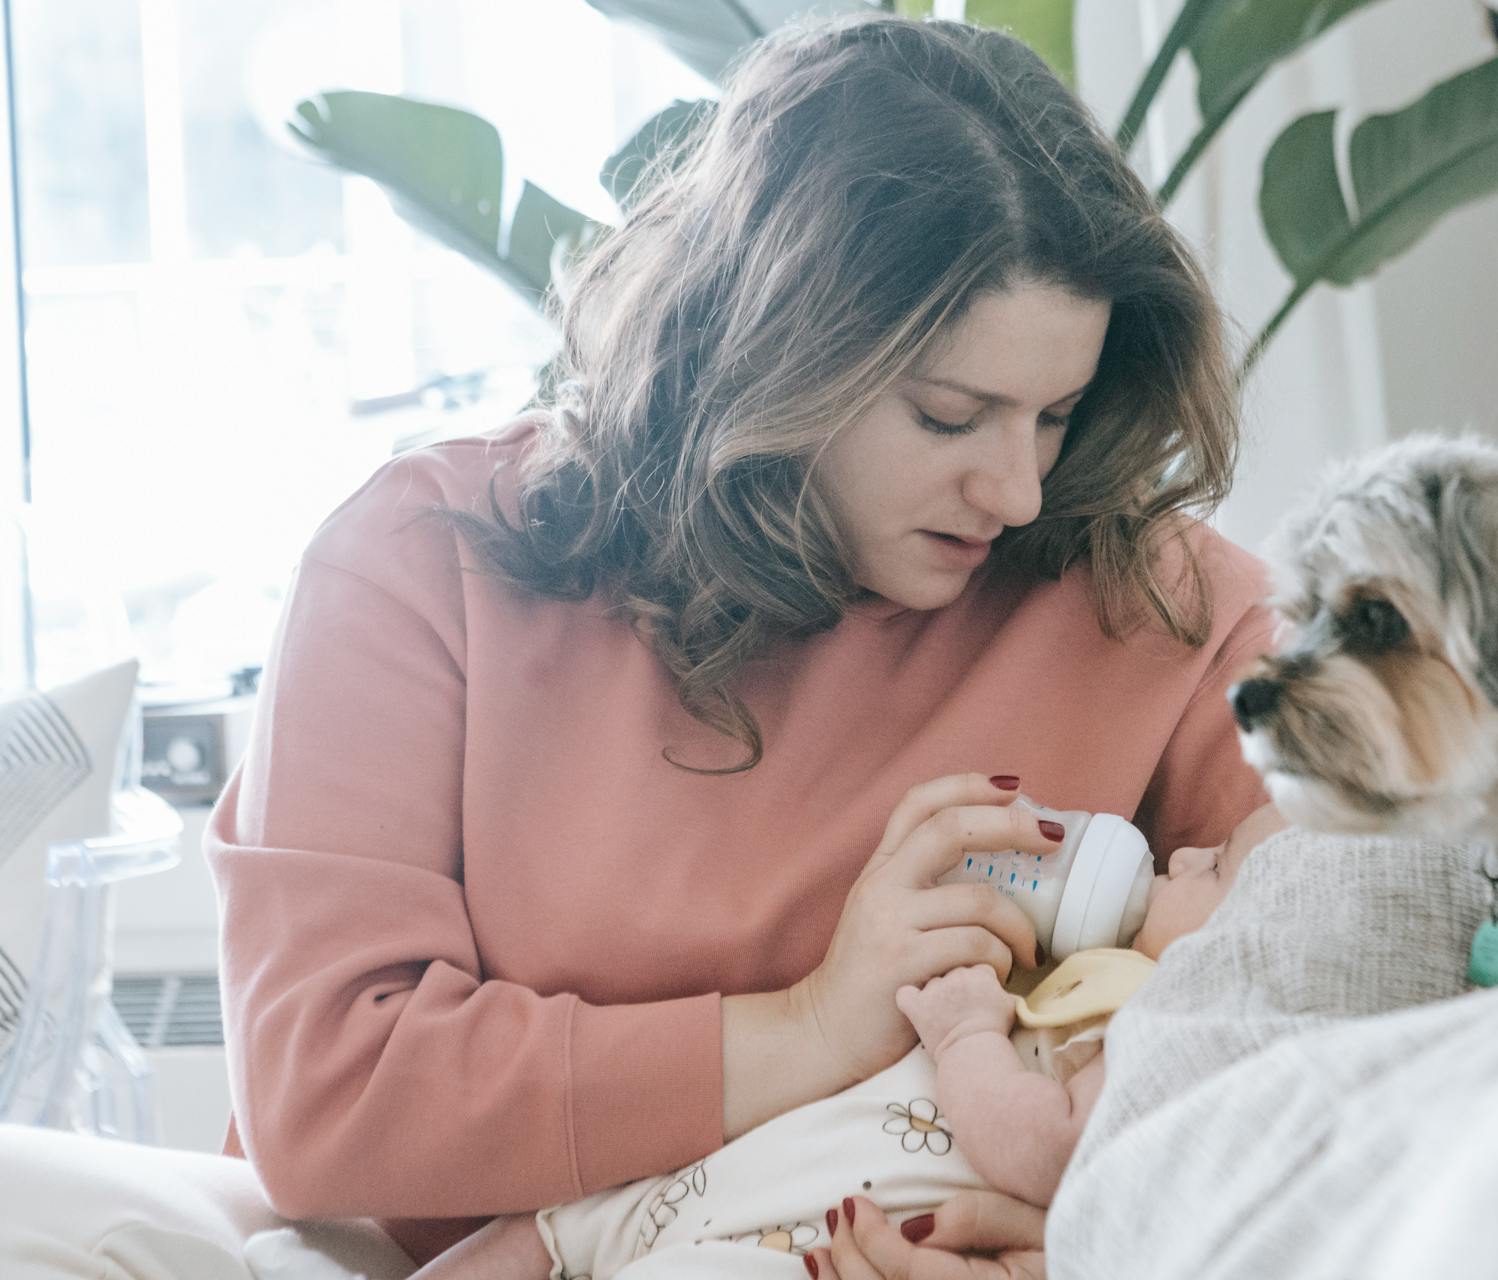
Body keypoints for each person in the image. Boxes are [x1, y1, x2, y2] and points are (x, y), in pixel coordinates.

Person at [0, 13, 1272, 1279]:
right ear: (775, 351)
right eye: (951, 414)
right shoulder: (423, 564)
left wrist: (1105, 1234)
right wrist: (808, 1026)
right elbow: (329, 1090)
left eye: (1055, 415)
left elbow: (1382, 995)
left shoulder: (1156, 607)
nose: (1018, 490)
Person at [379, 804, 1286, 1280]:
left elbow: (1047, 1144)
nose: (1185, 854)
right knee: (557, 1223)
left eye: (1215, 868)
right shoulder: (1122, 977)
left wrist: (971, 1030)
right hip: (755, 1162)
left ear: (1265, 941)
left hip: (818, 1238)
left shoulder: (1180, 1031)